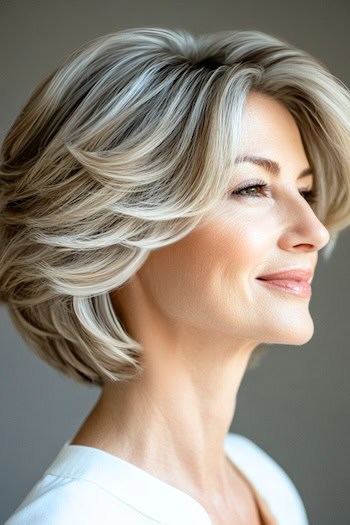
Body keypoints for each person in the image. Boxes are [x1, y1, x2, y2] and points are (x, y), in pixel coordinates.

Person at [1, 27, 349, 525]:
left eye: (305, 190)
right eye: (253, 187)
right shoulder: (73, 517)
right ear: (121, 226)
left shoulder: (262, 480)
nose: (314, 231)